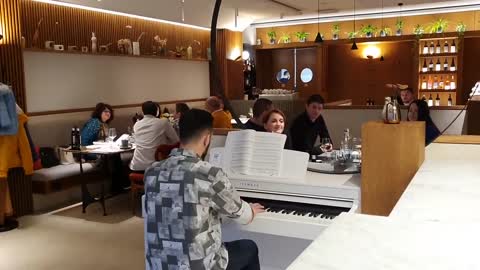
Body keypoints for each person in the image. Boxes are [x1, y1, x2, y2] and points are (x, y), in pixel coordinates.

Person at [144, 108, 264, 270]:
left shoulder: (152, 171)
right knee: (249, 247)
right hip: (197, 266)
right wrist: (251, 209)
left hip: (158, 264)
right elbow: (244, 216)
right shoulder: (209, 174)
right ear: (207, 139)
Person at [129, 101, 179, 172]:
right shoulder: (163, 122)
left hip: (137, 166)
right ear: (157, 111)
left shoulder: (136, 125)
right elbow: (176, 141)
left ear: (143, 112)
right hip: (156, 167)